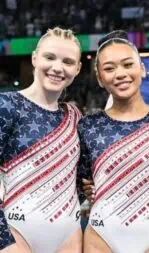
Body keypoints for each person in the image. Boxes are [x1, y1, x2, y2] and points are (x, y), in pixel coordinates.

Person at [78, 30, 149, 253]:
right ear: (100, 78)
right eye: (109, 68)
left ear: (142, 68)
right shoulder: (88, 125)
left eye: (127, 64)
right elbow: (77, 180)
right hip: (101, 237)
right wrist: (87, 188)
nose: (120, 74)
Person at [0, 27, 83, 253]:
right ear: (35, 58)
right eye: (49, 57)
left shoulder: (75, 116)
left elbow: (79, 179)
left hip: (69, 233)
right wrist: (3, 240)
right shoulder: (6, 106)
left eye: (67, 61)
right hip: (16, 232)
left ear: (77, 68)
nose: (57, 67)